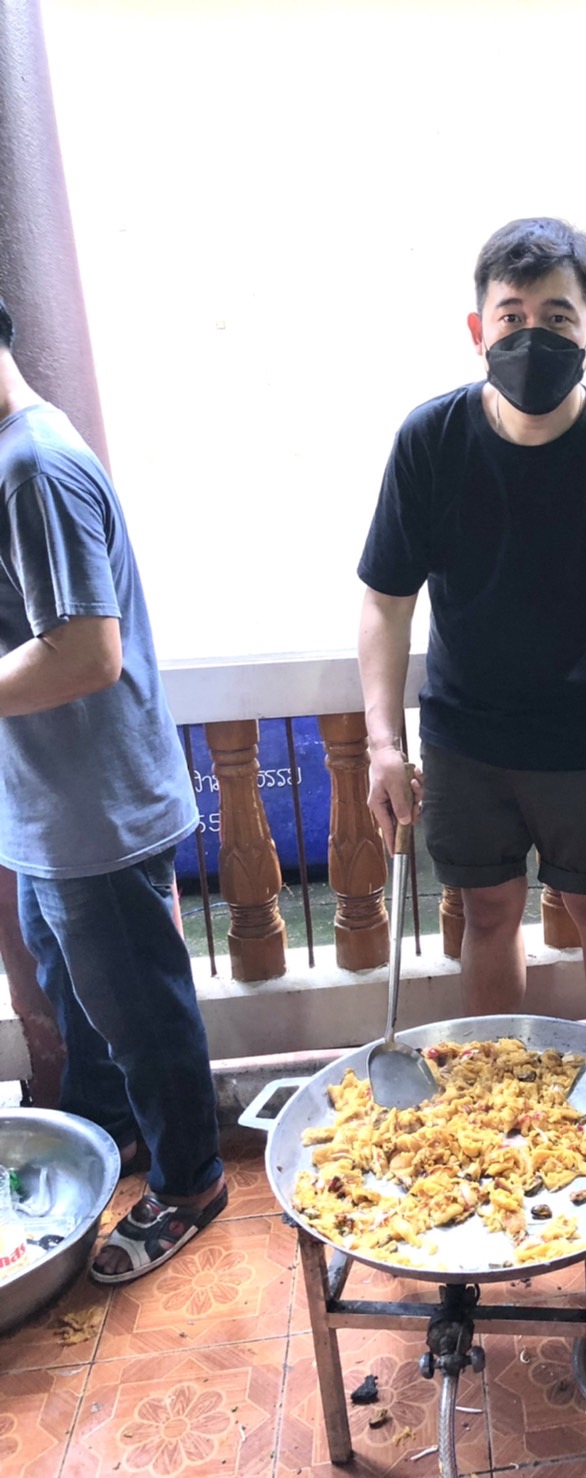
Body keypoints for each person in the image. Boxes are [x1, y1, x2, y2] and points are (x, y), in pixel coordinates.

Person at [358, 218, 586, 1047]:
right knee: (488, 912)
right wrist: (385, 745)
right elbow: (386, 603)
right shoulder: (430, 442)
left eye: (557, 317)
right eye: (511, 317)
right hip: (466, 736)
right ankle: (497, 1093)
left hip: (584, 740)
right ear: (479, 331)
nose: (530, 336)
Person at [0, 294, 226, 1284]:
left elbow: (88, 651)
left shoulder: (35, 468)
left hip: (98, 811)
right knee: (82, 999)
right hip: (51, 807)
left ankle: (191, 1181)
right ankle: (115, 1138)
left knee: (140, 1014)